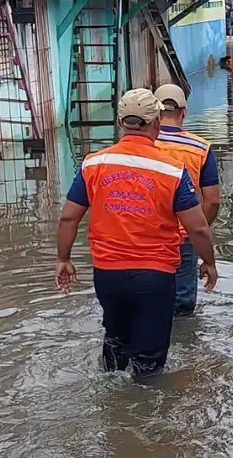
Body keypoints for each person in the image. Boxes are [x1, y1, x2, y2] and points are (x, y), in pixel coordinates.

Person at [55, 88, 219, 381]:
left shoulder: (92, 164)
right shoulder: (172, 171)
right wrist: (209, 261)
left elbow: (69, 216)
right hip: (154, 276)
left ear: (120, 122)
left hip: (108, 274)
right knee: (150, 364)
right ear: (156, 121)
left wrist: (63, 259)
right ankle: (144, 418)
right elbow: (197, 227)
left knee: (115, 341)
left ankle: (110, 407)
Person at [153, 83, 221, 317]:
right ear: (184, 112)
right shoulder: (201, 149)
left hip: (141, 237)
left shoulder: (139, 147)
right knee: (181, 309)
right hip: (184, 237)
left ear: (154, 113)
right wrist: (196, 231)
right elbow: (212, 201)